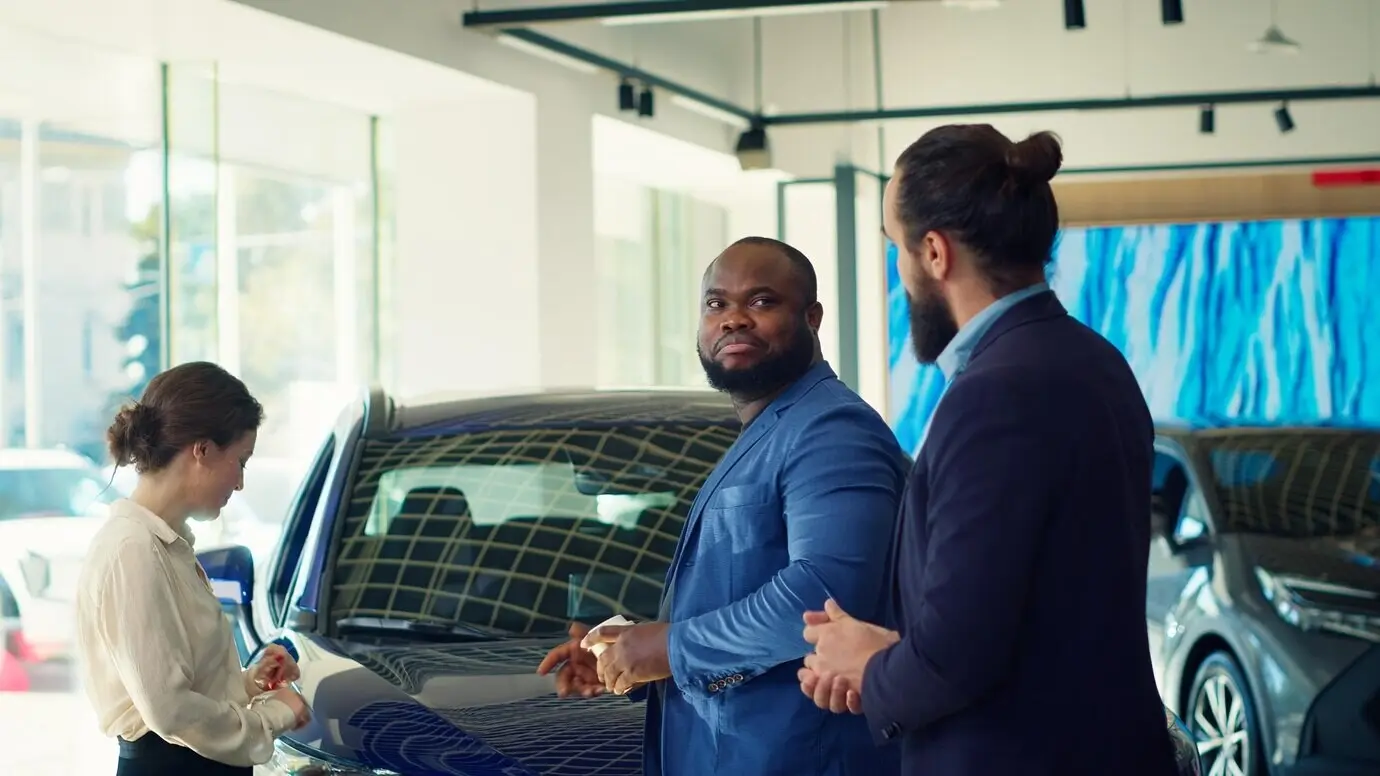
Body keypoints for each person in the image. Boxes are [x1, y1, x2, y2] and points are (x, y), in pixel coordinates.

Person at [798, 126, 1180, 776]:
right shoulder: (1097, 361)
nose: (900, 269)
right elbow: (1042, 611)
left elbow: (957, 657)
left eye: (897, 248)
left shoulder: (995, 398)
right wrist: (890, 653)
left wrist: (866, 665)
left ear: (935, 252)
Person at [537, 237, 908, 776]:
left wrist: (671, 649)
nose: (734, 319)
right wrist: (630, 655)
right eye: (717, 304)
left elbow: (824, 597)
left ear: (812, 316)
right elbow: (738, 593)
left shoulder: (832, 430)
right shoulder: (773, 429)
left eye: (761, 301)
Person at [75, 361, 312, 776]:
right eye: (241, 460)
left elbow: (179, 688)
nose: (239, 483)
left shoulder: (165, 545)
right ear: (201, 450)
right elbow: (170, 712)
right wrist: (274, 716)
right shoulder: (132, 550)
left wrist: (249, 683)